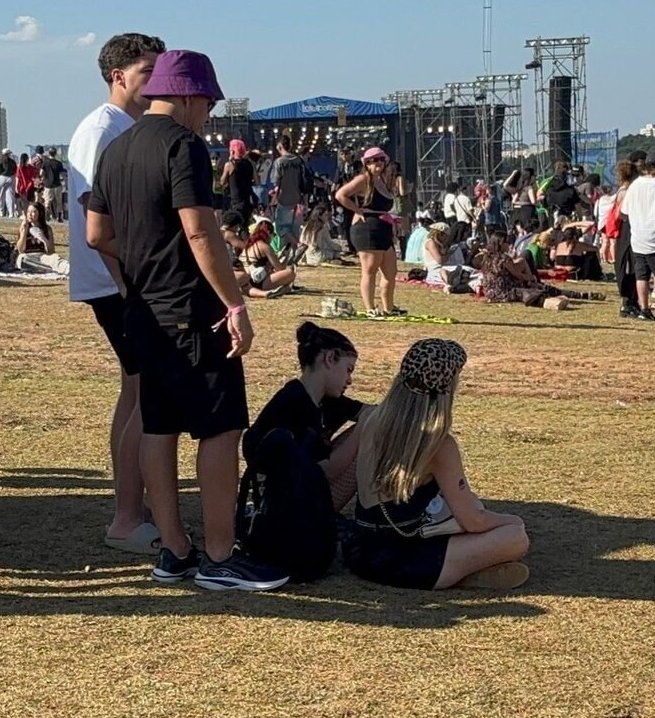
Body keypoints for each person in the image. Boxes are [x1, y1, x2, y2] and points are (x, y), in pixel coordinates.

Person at [87, 49, 287, 591]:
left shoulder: (118, 146)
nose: (209, 113)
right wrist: (235, 304)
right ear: (190, 95)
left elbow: (95, 234)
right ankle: (221, 555)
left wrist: (133, 282)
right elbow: (199, 232)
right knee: (220, 428)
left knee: (158, 426)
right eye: (208, 102)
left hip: (144, 311)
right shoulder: (184, 146)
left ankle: (174, 550)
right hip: (191, 311)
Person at [67, 32, 165, 554]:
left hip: (124, 279)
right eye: (147, 73)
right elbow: (97, 213)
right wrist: (132, 280)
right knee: (145, 392)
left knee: (137, 392)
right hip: (118, 281)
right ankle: (127, 517)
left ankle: (131, 505)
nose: (156, 84)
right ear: (118, 76)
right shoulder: (102, 130)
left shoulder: (122, 127)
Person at [345, 339, 530, 590]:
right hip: (407, 559)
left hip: (360, 550)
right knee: (515, 537)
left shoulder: (373, 418)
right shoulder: (438, 445)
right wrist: (513, 520)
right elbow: (474, 521)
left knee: (472, 505)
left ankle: (466, 571)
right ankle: (462, 576)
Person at [247, 323, 368, 511]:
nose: (349, 380)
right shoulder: (292, 404)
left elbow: (377, 412)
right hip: (286, 505)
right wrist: (363, 430)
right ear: (330, 359)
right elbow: (323, 472)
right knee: (368, 437)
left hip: (301, 489)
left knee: (373, 425)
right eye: (348, 370)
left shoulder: (325, 399)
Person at [335, 147, 404, 318]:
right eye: (374, 161)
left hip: (383, 228)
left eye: (381, 160)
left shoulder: (383, 181)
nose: (378, 163)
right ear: (367, 164)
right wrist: (357, 210)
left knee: (390, 271)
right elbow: (341, 194)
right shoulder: (363, 180)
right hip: (367, 229)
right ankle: (370, 307)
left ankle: (389, 307)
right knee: (370, 270)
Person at [478, 231, 603, 306]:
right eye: (507, 242)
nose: (509, 245)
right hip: (505, 291)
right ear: (501, 243)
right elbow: (518, 275)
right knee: (543, 289)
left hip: (491, 291)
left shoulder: (487, 257)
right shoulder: (503, 258)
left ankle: (578, 295)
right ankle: (580, 295)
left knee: (529, 270)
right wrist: (531, 277)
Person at [620, 151, 655, 320]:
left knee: (641, 275)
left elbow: (624, 213)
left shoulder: (635, 185)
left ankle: (644, 309)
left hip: (638, 238)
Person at [607, 156, 642, 317]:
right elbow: (622, 213)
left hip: (620, 232)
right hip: (627, 229)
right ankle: (629, 302)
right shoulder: (628, 191)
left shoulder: (620, 191)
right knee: (631, 265)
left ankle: (629, 301)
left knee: (626, 265)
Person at [233, 216, 294, 299]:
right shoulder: (264, 246)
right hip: (260, 281)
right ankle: (284, 289)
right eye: (273, 234)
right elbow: (280, 268)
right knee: (290, 272)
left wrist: (280, 256)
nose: (273, 237)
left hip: (247, 280)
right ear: (268, 233)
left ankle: (278, 290)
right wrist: (287, 256)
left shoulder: (249, 245)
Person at [15, 201, 70, 275]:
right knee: (23, 259)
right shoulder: (23, 227)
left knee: (55, 258)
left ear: (40, 213)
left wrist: (44, 239)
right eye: (28, 212)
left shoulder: (47, 229)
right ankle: (50, 269)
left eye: (33, 212)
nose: (30, 214)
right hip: (28, 256)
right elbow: (21, 250)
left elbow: (50, 252)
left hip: (42, 256)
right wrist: (24, 231)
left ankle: (68, 269)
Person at [273, 137, 308, 250]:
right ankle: (293, 258)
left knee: (281, 228)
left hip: (284, 200)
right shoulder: (298, 161)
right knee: (295, 229)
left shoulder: (279, 162)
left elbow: (277, 183)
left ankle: (298, 245)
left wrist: (274, 199)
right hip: (298, 200)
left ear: (280, 147)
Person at [221, 138, 256, 222]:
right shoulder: (249, 164)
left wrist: (230, 160)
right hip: (247, 200)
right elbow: (254, 180)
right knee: (244, 226)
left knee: (230, 226)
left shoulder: (230, 165)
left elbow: (222, 181)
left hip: (235, 201)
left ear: (232, 151)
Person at [39, 148, 65, 222]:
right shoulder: (58, 163)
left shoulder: (45, 163)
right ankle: (59, 217)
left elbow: (41, 173)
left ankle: (47, 213)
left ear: (49, 153)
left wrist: (44, 178)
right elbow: (62, 174)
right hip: (57, 184)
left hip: (48, 185)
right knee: (59, 202)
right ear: (55, 153)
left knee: (47, 201)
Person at [0, 148, 17, 218]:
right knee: (10, 196)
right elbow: (15, 169)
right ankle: (11, 213)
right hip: (10, 177)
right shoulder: (12, 162)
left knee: (1, 195)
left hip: (2, 177)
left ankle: (1, 212)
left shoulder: (0, 161)